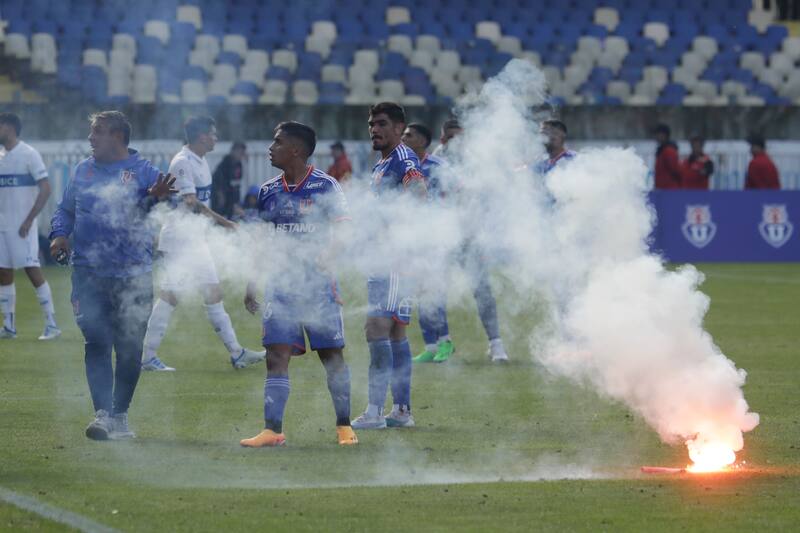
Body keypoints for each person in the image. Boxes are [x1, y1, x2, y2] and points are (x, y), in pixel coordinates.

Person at [49, 110, 176, 440]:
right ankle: (103, 414)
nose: (91, 138)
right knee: (96, 342)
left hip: (132, 276)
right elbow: (65, 209)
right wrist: (59, 234)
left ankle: (120, 415)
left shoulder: (145, 173)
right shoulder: (83, 169)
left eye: (98, 132)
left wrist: (153, 200)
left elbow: (161, 212)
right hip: (88, 274)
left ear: (117, 136)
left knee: (130, 349)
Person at [240, 121, 357, 447]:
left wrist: (329, 253)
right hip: (281, 286)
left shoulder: (326, 185)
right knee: (275, 355)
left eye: (277, 142)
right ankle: (272, 431)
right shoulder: (267, 191)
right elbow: (261, 240)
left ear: (296, 150)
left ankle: (344, 426)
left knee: (331, 357)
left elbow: (345, 228)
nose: (270, 148)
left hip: (318, 286)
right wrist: (252, 281)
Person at [141, 117, 264, 372]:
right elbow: (192, 204)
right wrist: (226, 223)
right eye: (213, 134)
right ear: (202, 137)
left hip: (193, 239)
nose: (216, 138)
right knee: (174, 296)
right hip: (180, 240)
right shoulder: (182, 162)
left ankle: (236, 353)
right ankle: (147, 357)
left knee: (205, 294)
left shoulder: (201, 160)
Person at [351, 102, 427, 430]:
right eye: (371, 124)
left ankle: (373, 412)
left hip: (393, 259)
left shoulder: (403, 157)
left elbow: (418, 192)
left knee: (376, 328)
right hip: (389, 258)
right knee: (396, 332)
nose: (374, 129)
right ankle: (401, 411)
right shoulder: (382, 163)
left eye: (382, 124)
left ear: (399, 128)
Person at [424, 118, 511, 364]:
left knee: (482, 290)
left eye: (462, 138)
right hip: (441, 236)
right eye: (453, 138)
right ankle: (443, 343)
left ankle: (496, 343)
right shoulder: (433, 163)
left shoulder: (475, 162)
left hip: (469, 237)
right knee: (435, 290)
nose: (459, 143)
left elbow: (486, 198)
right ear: (443, 139)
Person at [0, 112, 60, 340]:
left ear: (9, 127)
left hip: (22, 226)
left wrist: (29, 219)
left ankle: (52, 325)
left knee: (32, 269)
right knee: (3, 272)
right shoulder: (1, 155)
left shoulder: (29, 154)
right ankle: (9, 326)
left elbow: (46, 188)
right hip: (2, 226)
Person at [400, 122, 454, 363]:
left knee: (434, 290)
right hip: (412, 236)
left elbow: (456, 197)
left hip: (435, 236)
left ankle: (446, 342)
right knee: (419, 291)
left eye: (409, 135)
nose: (403, 139)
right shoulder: (402, 166)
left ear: (422, 141)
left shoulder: (438, 166)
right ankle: (430, 346)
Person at [211, 140, 246, 219]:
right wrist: (220, 195)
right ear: (233, 151)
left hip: (231, 195)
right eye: (240, 152)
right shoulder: (225, 163)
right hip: (220, 194)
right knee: (220, 214)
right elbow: (217, 181)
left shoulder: (239, 165)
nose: (241, 155)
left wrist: (236, 203)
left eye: (242, 153)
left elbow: (237, 183)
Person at [653, 123, 682, 189]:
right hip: (663, 189)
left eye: (658, 134)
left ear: (665, 135)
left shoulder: (669, 151)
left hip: (669, 190)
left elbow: (675, 171)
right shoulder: (662, 150)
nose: (656, 136)